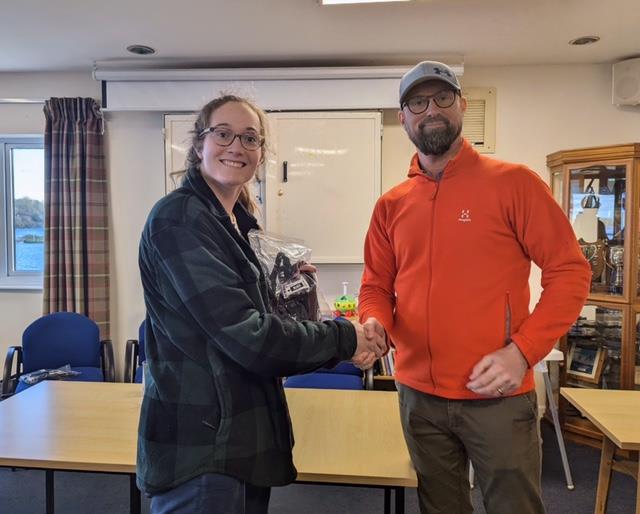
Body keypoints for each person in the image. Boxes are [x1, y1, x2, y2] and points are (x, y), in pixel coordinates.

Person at [358, 61, 591, 514]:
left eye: (443, 98)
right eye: (418, 102)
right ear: (403, 117)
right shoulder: (391, 206)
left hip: (496, 397)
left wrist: (523, 351)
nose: (432, 110)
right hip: (417, 396)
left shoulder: (514, 184)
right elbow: (376, 285)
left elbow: (570, 272)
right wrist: (374, 322)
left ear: (462, 106)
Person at [137, 94, 386, 514]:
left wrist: (296, 299)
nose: (236, 146)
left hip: (239, 437)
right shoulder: (179, 219)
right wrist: (345, 337)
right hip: (202, 446)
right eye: (223, 134)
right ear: (200, 144)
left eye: (250, 138)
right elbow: (248, 338)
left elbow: (256, 324)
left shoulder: (237, 225)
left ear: (261, 154)